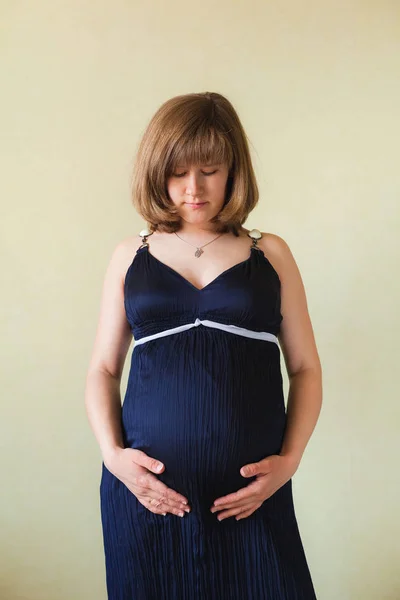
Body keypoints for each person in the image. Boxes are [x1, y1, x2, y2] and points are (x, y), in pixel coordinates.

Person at [85, 91, 323, 599]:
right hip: (148, 496)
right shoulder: (131, 254)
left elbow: (304, 368)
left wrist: (290, 461)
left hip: (251, 498)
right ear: (157, 172)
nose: (193, 188)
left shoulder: (270, 253)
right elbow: (103, 370)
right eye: (177, 172)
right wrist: (113, 457)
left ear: (234, 170)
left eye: (210, 170)